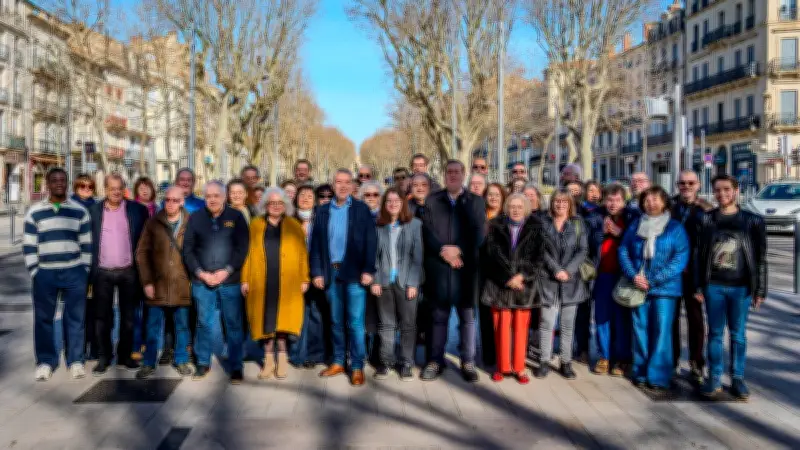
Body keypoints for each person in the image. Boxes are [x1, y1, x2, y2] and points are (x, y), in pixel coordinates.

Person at [696, 175, 766, 400]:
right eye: (717, 190)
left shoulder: (753, 221)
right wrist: (698, 286)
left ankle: (738, 378)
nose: (722, 194)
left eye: (727, 189)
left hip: (741, 287)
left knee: (738, 334)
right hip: (714, 286)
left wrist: (760, 290)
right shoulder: (706, 219)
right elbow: (699, 254)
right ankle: (714, 377)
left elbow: (761, 258)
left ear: (736, 191)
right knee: (715, 333)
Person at [309, 169, 378, 387]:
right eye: (338, 182)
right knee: (336, 320)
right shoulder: (322, 211)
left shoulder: (361, 209)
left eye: (347, 182)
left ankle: (356, 365)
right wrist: (317, 272)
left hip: (355, 273)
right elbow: (316, 245)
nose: (343, 186)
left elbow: (371, 242)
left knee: (355, 322)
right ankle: (339, 361)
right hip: (331, 272)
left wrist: (368, 270)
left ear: (352, 186)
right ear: (333, 184)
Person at [420, 160, 486, 382]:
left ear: (464, 174)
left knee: (467, 318)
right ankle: (435, 360)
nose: (453, 175)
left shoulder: (475, 201)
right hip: (439, 269)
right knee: (438, 317)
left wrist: (458, 250)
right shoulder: (433, 200)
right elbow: (427, 231)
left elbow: (479, 233)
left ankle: (468, 361)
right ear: (444, 175)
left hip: (465, 271)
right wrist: (443, 251)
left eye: (457, 172)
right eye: (449, 172)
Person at [619, 186, 689, 393]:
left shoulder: (675, 228)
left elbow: (680, 258)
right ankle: (640, 371)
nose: (651, 203)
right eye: (647, 200)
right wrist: (633, 275)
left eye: (655, 199)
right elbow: (623, 250)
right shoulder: (635, 225)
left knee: (661, 331)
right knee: (640, 329)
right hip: (638, 285)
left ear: (664, 202)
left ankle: (658, 376)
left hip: (665, 289)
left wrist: (653, 280)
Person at [24, 168, 92, 381]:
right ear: (48, 184)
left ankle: (75, 360)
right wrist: (35, 271)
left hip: (74, 272)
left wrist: (84, 270)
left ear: (67, 183)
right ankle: (46, 361)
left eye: (63, 180)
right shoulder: (35, 212)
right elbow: (29, 245)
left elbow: (86, 244)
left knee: (75, 318)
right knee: (43, 319)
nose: (59, 183)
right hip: (45, 273)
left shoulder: (79, 211)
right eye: (54, 180)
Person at [183, 181, 250, 383]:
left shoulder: (236, 217)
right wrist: (201, 273)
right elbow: (188, 250)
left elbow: (242, 248)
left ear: (224, 197)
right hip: (202, 281)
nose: (212, 200)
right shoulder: (195, 218)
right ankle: (203, 362)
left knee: (233, 324)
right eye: (208, 196)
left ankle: (236, 366)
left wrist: (226, 270)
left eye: (216, 196)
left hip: (230, 281)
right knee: (203, 323)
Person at [241, 188, 309, 380]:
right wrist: (245, 279)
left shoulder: (294, 225)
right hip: (261, 281)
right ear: (265, 205)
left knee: (283, 323)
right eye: (272, 203)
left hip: (287, 281)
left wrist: (305, 278)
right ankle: (269, 361)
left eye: (280, 203)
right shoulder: (255, 225)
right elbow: (247, 254)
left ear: (285, 205)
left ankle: (283, 358)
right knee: (265, 323)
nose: (276, 206)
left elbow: (303, 254)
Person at [482, 194, 546, 384]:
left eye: (519, 206)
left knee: (520, 329)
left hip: (523, 288)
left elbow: (539, 258)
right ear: (506, 208)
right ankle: (502, 367)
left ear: (526, 209)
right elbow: (490, 256)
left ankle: (519, 368)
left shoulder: (536, 227)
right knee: (501, 328)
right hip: (499, 286)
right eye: (512, 206)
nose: (516, 210)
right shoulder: (494, 226)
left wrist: (522, 276)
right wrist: (507, 278)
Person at [88, 174, 149, 375]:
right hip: (102, 272)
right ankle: (104, 356)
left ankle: (125, 356)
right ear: (105, 189)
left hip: (128, 272)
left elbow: (145, 242)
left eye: (119, 188)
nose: (116, 192)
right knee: (102, 317)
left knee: (128, 317)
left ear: (124, 189)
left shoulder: (138, 210)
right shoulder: (93, 211)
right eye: (112, 188)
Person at [134, 187, 194, 379]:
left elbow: (198, 251)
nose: (170, 203)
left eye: (175, 200)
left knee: (182, 326)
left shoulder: (191, 223)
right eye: (167, 199)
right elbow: (142, 253)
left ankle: (181, 359)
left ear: (182, 201)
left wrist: (194, 279)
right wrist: (147, 282)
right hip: (157, 285)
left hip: (182, 283)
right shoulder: (153, 222)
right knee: (152, 327)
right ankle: (149, 362)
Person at [371, 188, 423, 381]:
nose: (393, 204)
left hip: (406, 282)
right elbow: (374, 256)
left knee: (408, 325)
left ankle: (407, 362)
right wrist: (375, 280)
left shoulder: (414, 224)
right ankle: (386, 362)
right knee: (386, 324)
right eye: (389, 201)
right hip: (384, 282)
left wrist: (413, 283)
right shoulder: (379, 226)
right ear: (384, 205)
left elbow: (417, 257)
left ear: (403, 204)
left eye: (397, 201)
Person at [536, 189, 588, 380]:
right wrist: (556, 269)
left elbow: (583, 250)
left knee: (567, 325)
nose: (560, 205)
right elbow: (540, 249)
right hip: (548, 280)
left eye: (564, 202)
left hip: (571, 281)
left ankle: (566, 362)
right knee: (547, 323)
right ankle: (544, 361)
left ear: (570, 204)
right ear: (552, 203)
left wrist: (568, 270)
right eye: (557, 201)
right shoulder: (543, 222)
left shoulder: (578, 223)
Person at [670, 170, 712, 384]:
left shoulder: (706, 209)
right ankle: (673, 360)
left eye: (690, 183)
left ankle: (697, 362)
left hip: (694, 273)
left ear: (698, 185)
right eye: (682, 183)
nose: (686, 186)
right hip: (672, 272)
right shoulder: (670, 207)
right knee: (671, 319)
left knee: (696, 320)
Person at [590, 184, 633, 376]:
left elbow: (637, 244)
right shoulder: (596, 218)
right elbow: (589, 243)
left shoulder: (631, 218)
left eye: (617, 200)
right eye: (609, 200)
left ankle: (622, 358)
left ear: (624, 201)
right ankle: (604, 356)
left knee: (622, 318)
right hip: (602, 275)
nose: (613, 204)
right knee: (602, 317)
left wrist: (619, 233)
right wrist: (601, 233)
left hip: (624, 276)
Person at [290, 185, 332, 368]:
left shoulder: (322, 220)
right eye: (302, 195)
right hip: (294, 277)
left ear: (315, 200)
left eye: (309, 195)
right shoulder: (289, 221)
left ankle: (314, 354)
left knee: (316, 315)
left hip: (316, 275)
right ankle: (297, 354)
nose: (305, 198)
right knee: (297, 316)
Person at [70, 173, 98, 360]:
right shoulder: (69, 207)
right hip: (75, 265)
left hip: (94, 265)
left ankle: (94, 346)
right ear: (76, 187)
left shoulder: (97, 207)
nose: (86, 190)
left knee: (94, 308)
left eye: (90, 187)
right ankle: (75, 349)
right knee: (75, 310)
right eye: (82, 186)